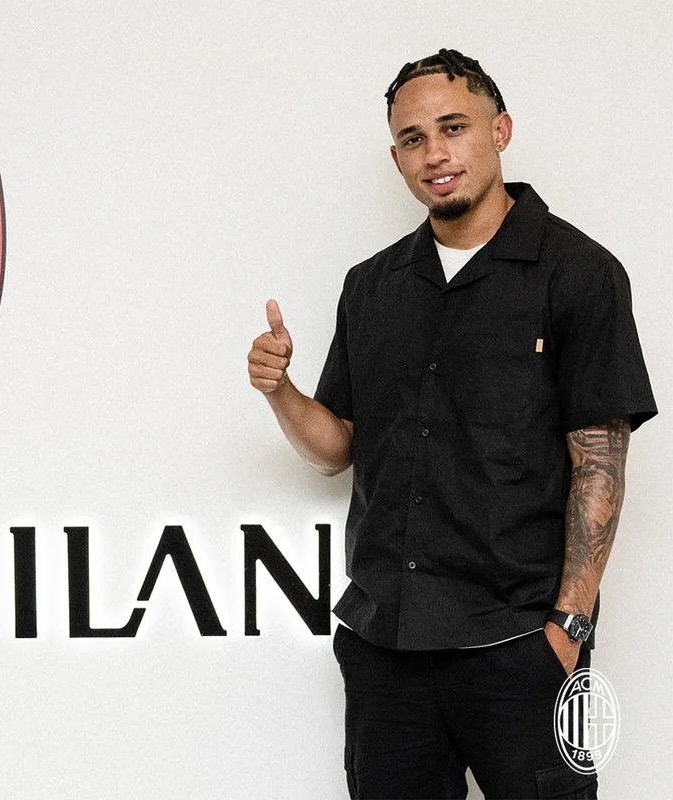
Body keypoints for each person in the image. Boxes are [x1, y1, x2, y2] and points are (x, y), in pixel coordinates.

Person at [247, 49, 657, 799]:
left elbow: (600, 463)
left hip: (521, 647)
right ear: (397, 158)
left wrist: (568, 629)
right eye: (412, 138)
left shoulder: (579, 273)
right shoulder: (372, 286)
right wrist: (281, 391)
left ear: (500, 130)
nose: (434, 153)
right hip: (386, 647)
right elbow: (336, 449)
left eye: (453, 127)